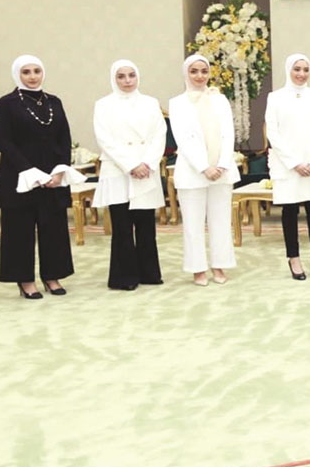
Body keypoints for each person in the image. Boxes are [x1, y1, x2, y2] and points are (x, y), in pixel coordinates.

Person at [0, 55, 83, 299]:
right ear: (17, 74)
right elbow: (5, 141)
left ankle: (52, 276)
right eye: (26, 72)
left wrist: (59, 171)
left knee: (53, 228)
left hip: (53, 176)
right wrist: (31, 172)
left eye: (37, 71)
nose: (32, 76)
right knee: (19, 231)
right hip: (20, 175)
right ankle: (25, 280)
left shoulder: (54, 102)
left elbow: (64, 138)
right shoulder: (7, 103)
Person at [92, 59, 167, 290]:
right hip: (118, 170)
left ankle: (149, 274)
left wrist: (147, 163)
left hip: (146, 169)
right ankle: (123, 277)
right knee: (122, 226)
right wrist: (131, 165)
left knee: (146, 225)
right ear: (113, 78)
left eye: (131, 75)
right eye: (121, 76)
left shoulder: (150, 102)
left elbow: (159, 134)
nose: (127, 81)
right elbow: (104, 139)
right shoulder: (103, 105)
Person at [169, 54, 240, 286]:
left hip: (222, 170)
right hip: (193, 171)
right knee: (193, 223)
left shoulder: (220, 100)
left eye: (204, 71)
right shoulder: (177, 103)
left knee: (221, 221)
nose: (199, 76)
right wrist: (203, 167)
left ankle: (219, 265)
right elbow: (184, 138)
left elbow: (228, 133)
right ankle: (197, 268)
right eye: (194, 71)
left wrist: (222, 164)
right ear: (186, 73)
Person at [265, 53, 310, 281]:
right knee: (290, 211)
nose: (301, 74)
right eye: (297, 69)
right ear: (288, 70)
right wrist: (294, 163)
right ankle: (293, 258)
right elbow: (273, 133)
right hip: (288, 167)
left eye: (305, 69)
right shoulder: (275, 98)